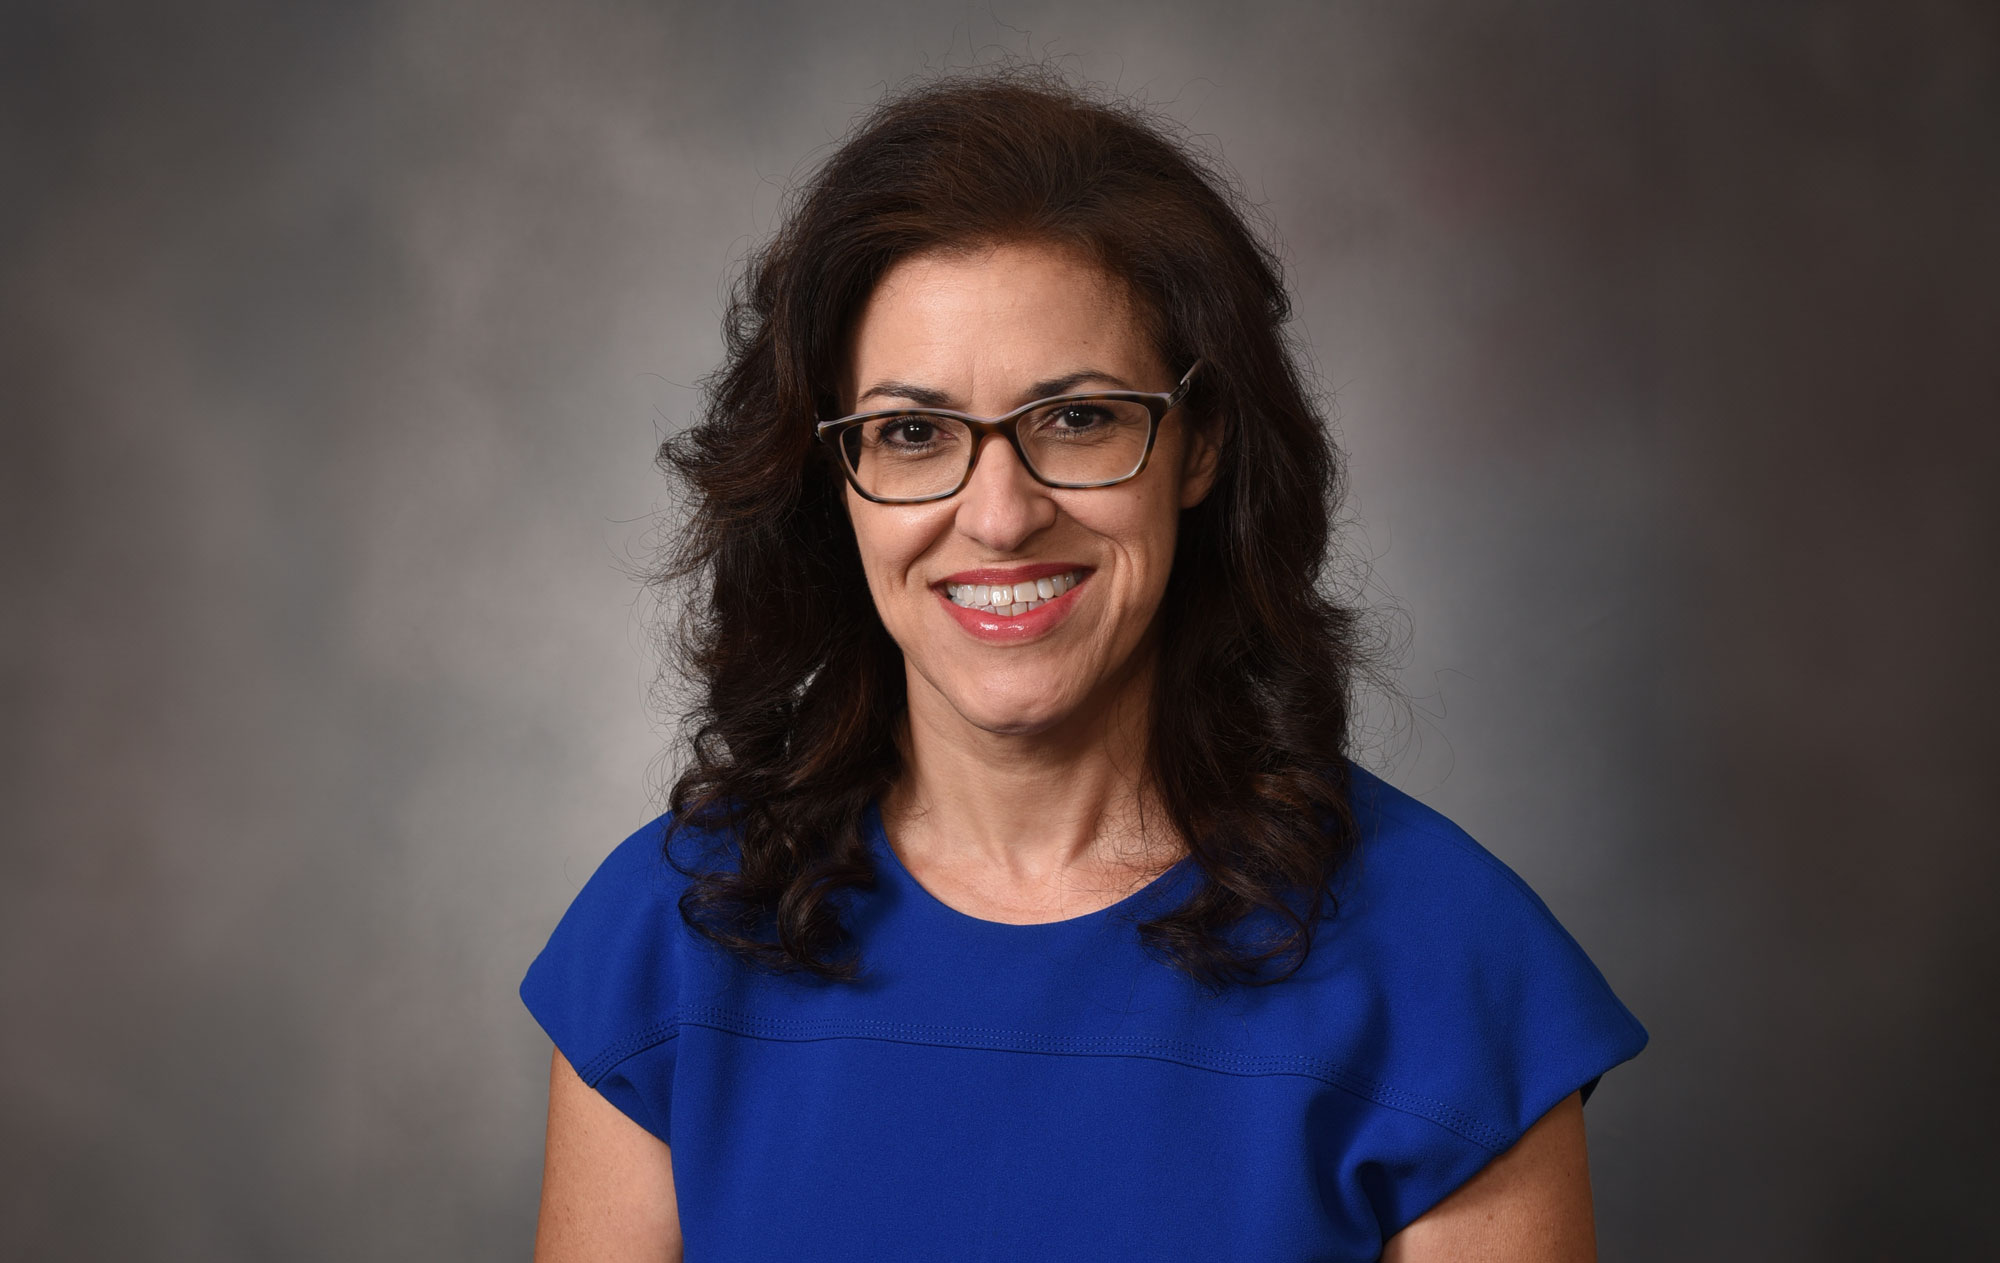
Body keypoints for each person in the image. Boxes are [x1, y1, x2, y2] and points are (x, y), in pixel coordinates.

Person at [521, 67, 1647, 1262]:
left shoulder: (1446, 970)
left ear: (1198, 444)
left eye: (1078, 420)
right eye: (910, 433)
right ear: (827, 481)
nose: (998, 515)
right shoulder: (669, 939)